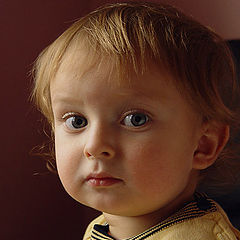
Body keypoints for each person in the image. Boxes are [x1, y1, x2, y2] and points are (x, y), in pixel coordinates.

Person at [31, 2, 240, 239]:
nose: (95, 146)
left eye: (135, 119)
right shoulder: (100, 229)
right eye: (77, 121)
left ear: (203, 145)